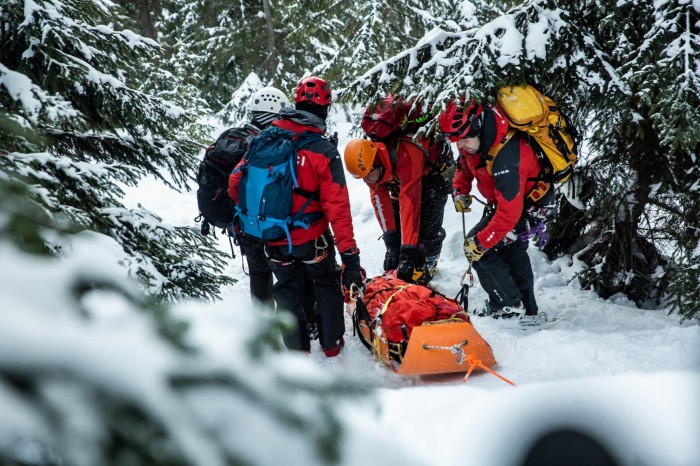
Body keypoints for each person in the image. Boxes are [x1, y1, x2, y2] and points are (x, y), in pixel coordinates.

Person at [229, 76, 363, 356]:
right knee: (326, 282)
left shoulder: (265, 137)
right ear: (326, 108)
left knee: (287, 287)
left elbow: (235, 181)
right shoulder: (322, 150)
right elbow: (338, 210)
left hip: (272, 236)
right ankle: (331, 345)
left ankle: (296, 350)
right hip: (310, 239)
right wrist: (350, 256)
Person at [439, 98, 553, 325]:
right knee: (511, 251)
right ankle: (527, 310)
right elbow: (465, 161)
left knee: (478, 248)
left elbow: (509, 215)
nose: (459, 146)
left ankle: (508, 305)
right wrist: (460, 190)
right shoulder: (479, 140)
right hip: (510, 205)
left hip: (525, 209)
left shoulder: (507, 158)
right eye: (455, 141)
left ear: (478, 126)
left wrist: (481, 243)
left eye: (463, 140)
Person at [222, 87, 317, 337]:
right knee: (291, 275)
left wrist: (242, 211)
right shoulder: (269, 142)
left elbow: (233, 184)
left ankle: (263, 328)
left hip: (245, 224)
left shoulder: (240, 137)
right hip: (274, 224)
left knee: (259, 273)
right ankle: (301, 323)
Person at [343, 131, 451, 285]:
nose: (366, 180)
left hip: (433, 171)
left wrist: (408, 251)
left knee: (427, 224)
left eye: (367, 175)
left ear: (376, 164)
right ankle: (408, 259)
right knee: (397, 221)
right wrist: (391, 242)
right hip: (397, 176)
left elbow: (410, 204)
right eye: (362, 177)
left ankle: (430, 259)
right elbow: (380, 201)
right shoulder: (370, 168)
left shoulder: (406, 153)